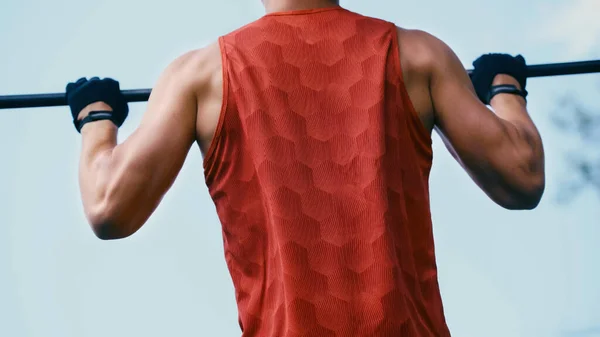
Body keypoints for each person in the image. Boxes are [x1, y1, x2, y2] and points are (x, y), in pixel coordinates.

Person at [66, 0, 545, 336]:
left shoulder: (201, 74)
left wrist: (96, 118)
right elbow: (521, 175)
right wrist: (505, 89)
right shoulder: (418, 55)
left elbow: (109, 206)